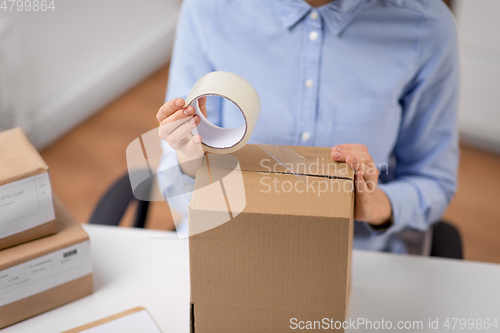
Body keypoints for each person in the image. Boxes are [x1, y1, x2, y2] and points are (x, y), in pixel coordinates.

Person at [156, 0, 459, 253]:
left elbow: (433, 179)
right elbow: (176, 184)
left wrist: (377, 205)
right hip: (227, 244)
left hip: (354, 257)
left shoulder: (425, 26)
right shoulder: (210, 9)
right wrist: (187, 156)